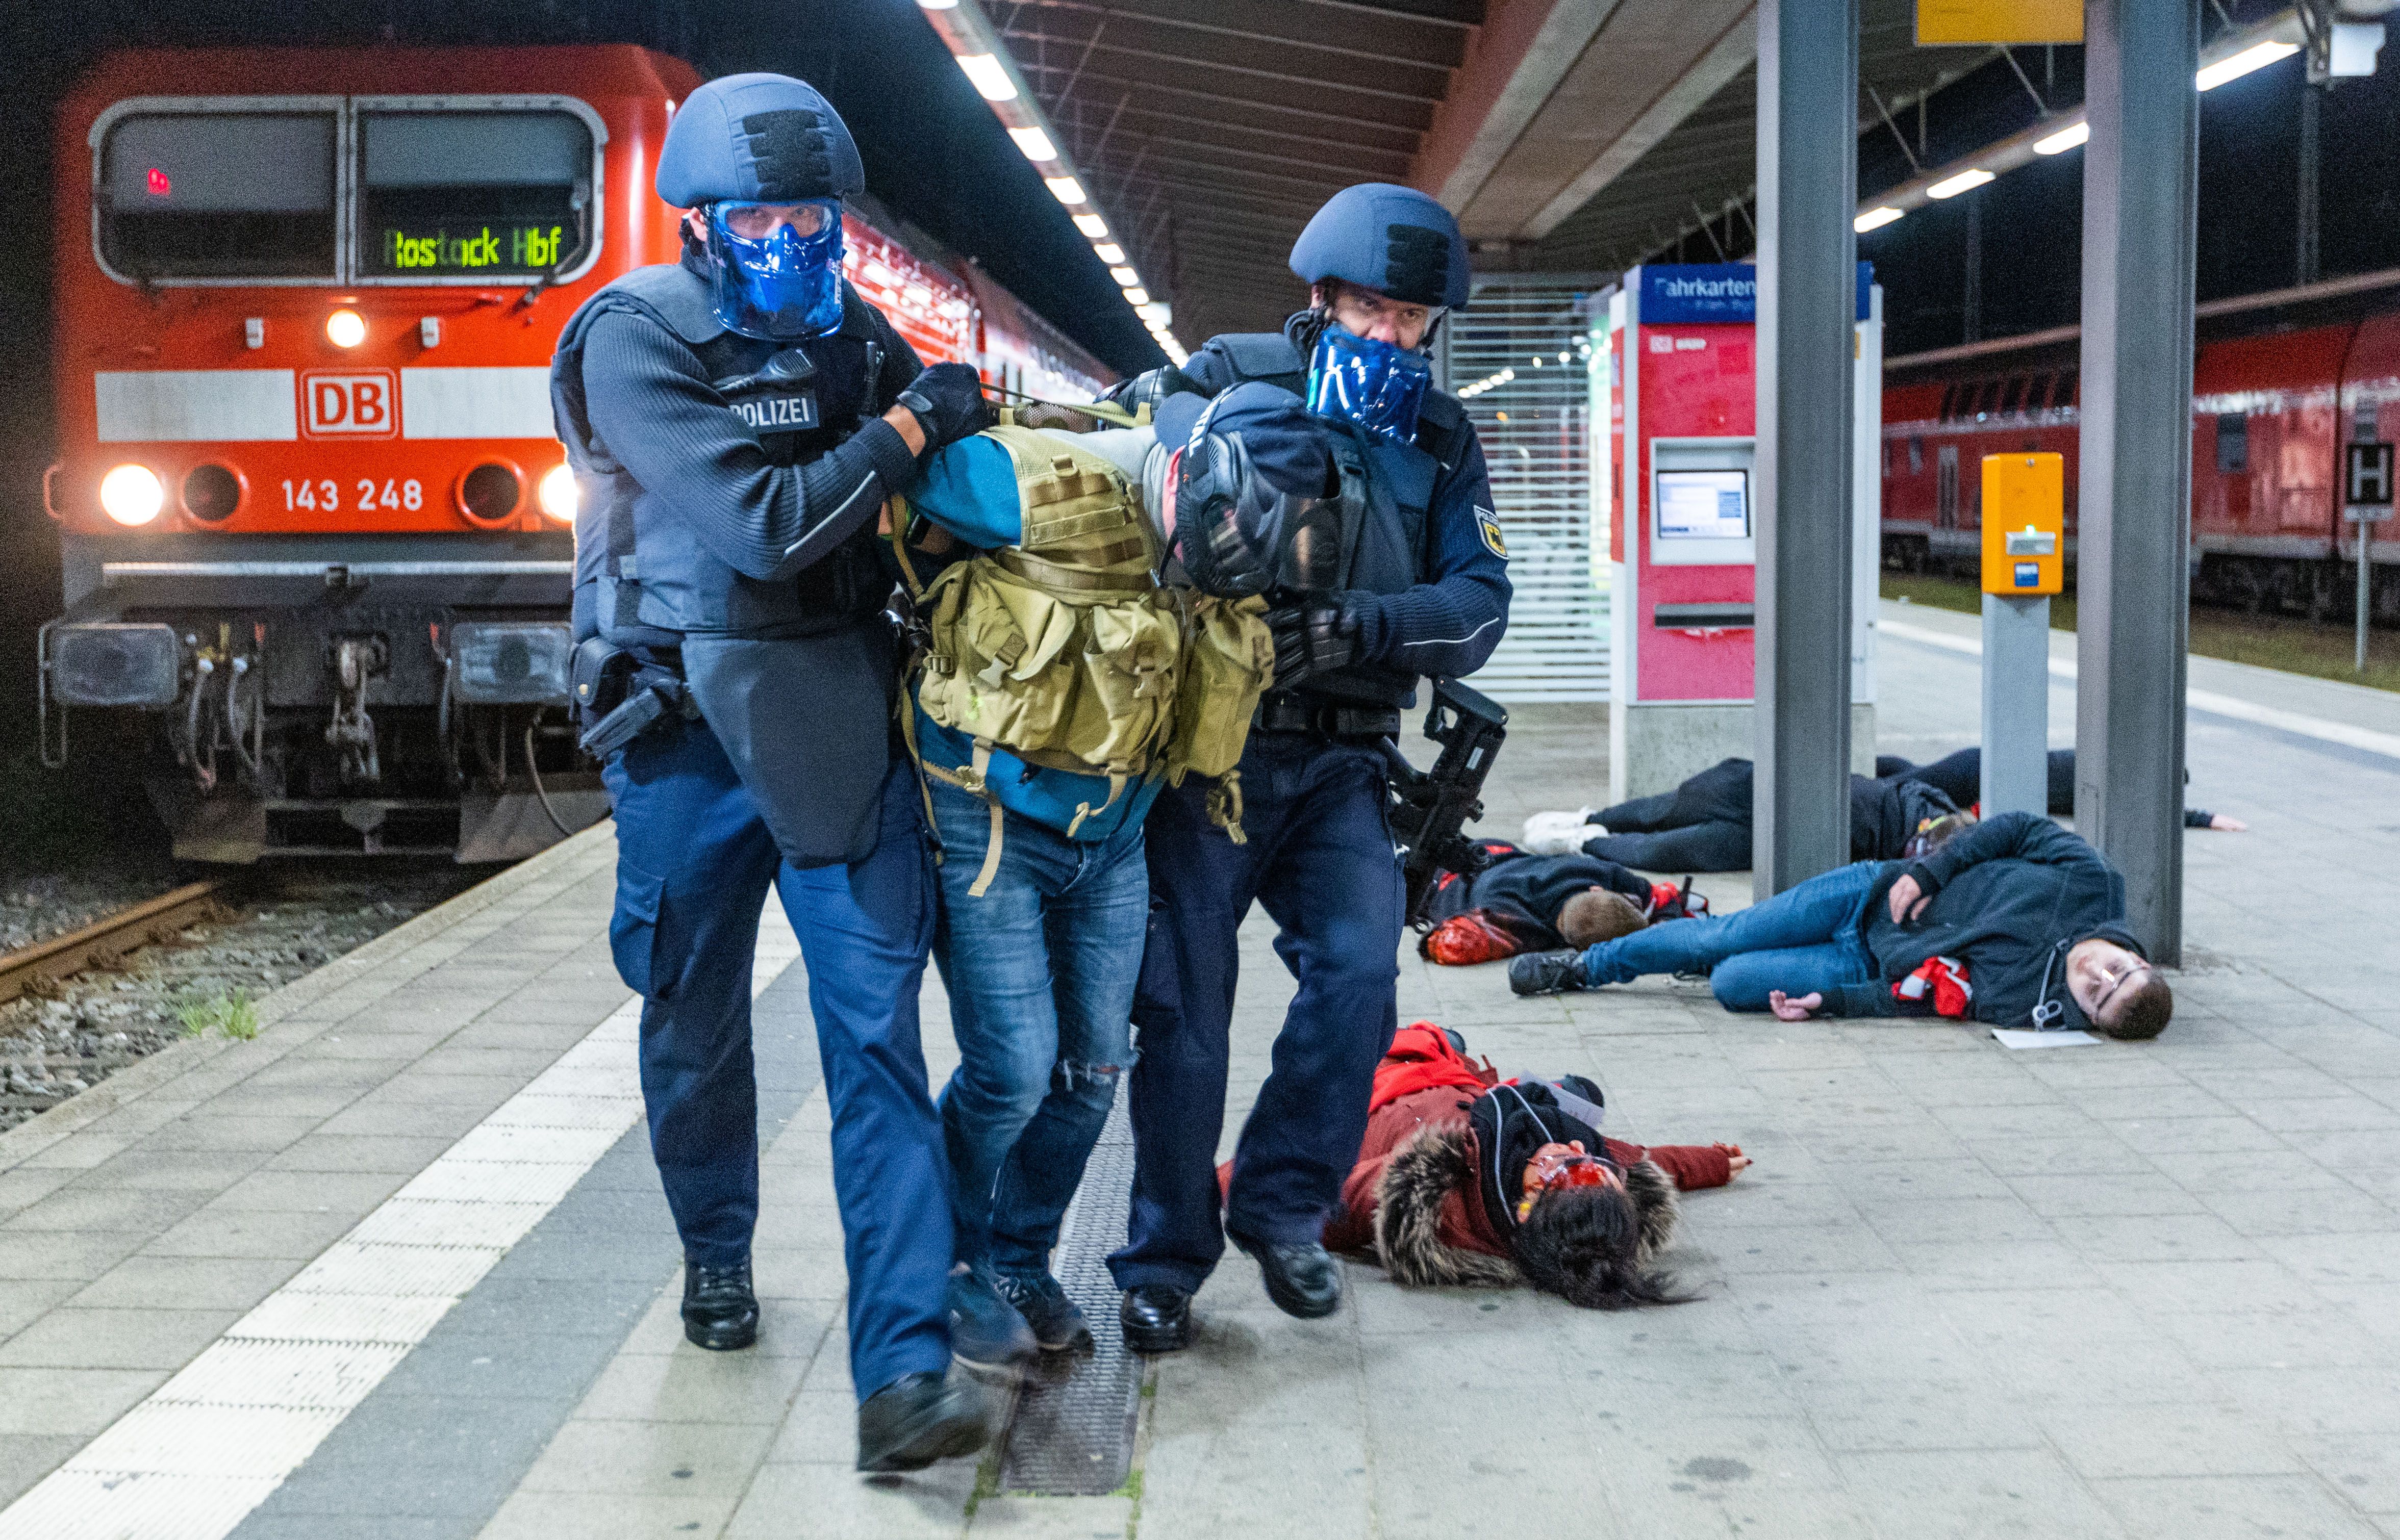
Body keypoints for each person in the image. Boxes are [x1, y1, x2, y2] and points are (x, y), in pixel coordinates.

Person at [550, 73, 997, 1471]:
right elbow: (767, 524)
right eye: (762, 218)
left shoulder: (853, 334)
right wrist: (917, 425)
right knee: (692, 1017)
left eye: (814, 216)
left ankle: (905, 1373)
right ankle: (718, 1248)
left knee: (875, 1035)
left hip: (830, 714)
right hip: (681, 730)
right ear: (701, 220)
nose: (794, 241)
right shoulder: (632, 339)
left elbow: (889, 510)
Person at [1099, 184, 1512, 1353]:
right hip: (1211, 756)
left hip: (1342, 765)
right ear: (1322, 297)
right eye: (1374, 313)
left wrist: (1359, 628)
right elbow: (1138, 495)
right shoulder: (1228, 377)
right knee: (1182, 1014)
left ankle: (1282, 1208)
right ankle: (1163, 1262)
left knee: (1357, 974)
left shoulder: (1441, 438)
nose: (1393, 340)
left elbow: (1478, 602)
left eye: (1414, 322)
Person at [889, 412, 1270, 1361]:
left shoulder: (1243, 533)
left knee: (1093, 1073)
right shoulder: (1021, 480)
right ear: (1179, 484)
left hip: (1117, 831)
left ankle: (1019, 1258)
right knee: (1012, 1070)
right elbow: (869, 486)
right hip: (991, 819)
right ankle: (935, 1262)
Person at [1509, 811, 2175, 1041]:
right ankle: (1583, 968)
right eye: (2115, 970)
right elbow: (2019, 828)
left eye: (2096, 994)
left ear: (2085, 1014)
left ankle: (1688, 955)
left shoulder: (2028, 1004)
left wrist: (1827, 1005)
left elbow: (1916, 1002)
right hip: (1871, 896)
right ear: (2136, 957)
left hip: (1864, 966)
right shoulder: (2093, 885)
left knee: (1733, 983)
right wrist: (1931, 874)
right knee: (1725, 937)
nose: (2094, 973)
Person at [1319, 1025, 1745, 1307]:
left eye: (1563, 1161)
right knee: (1584, 1096)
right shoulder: (1576, 1180)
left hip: (1391, 1079)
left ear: (1527, 1211)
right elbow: (1644, 1162)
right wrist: (1714, 1164)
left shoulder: (1437, 1190)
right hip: (1469, 1085)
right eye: (1589, 1157)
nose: (1573, 1144)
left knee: (1424, 1032)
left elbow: (1323, 1207)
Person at [1522, 757, 1963, 871]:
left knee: (1667, 850)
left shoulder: (1926, 837)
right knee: (1671, 807)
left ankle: (1583, 841)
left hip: (1790, 834)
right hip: (1765, 789)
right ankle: (1590, 819)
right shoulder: (1923, 803)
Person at [1418, 840, 1700, 965]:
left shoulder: (1601, 872)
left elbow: (1664, 898)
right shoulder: (1512, 919)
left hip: (1496, 853)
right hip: (1440, 873)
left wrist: (1664, 926)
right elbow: (1452, 944)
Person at [1876, 749, 2247, 831]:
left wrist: (2206, 818)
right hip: (1978, 774)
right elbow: (2142, 813)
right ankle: (1851, 779)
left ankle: (1877, 766)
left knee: (1913, 779)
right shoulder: (2107, 785)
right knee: (1897, 790)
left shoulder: (2106, 763)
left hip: (1980, 767)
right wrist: (2206, 819)